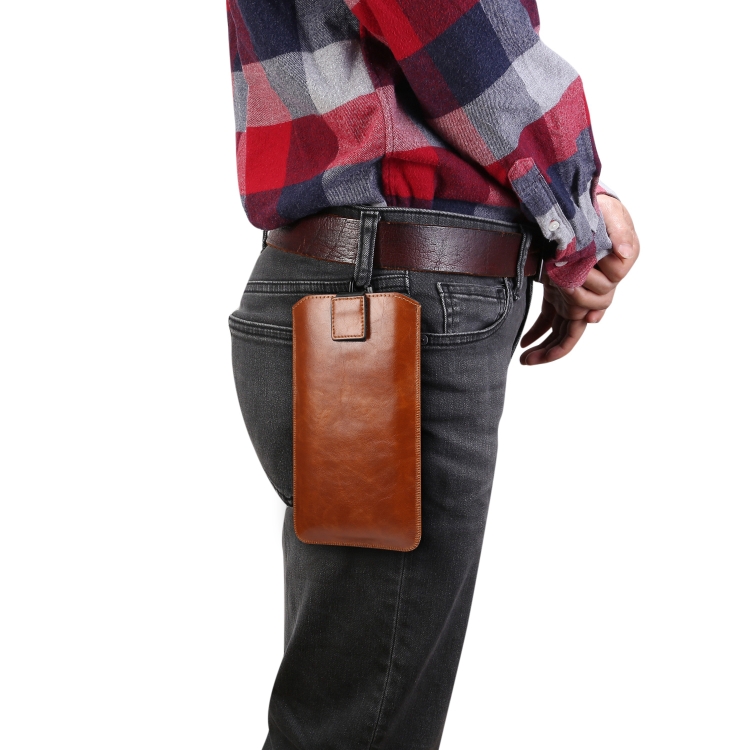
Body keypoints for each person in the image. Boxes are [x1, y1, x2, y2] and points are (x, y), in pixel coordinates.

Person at [225, 0, 639, 747]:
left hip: (353, 284)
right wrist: (577, 216)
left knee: (353, 704)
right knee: (359, 725)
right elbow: (453, 25)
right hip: (394, 300)